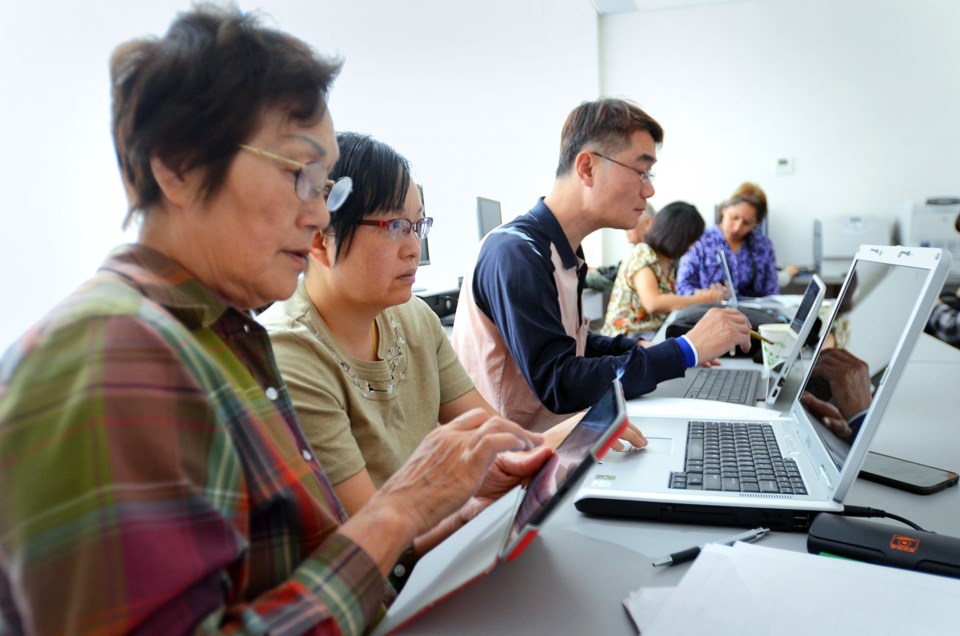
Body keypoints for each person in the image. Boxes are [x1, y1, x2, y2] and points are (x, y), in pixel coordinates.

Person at [0, 8, 549, 634]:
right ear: (177, 165)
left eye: (327, 190)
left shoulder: (224, 339)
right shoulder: (109, 355)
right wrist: (401, 509)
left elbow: (308, 569)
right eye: (300, 176)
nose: (319, 218)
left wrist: (448, 502)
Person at [258, 132, 644, 517]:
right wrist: (481, 493)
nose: (413, 248)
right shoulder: (290, 356)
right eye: (394, 226)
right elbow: (373, 538)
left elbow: (495, 438)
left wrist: (571, 436)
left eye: (416, 226)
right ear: (319, 239)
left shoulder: (414, 318)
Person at [452, 98, 751, 432]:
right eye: (641, 171)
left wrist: (640, 347)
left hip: (558, 438)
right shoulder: (516, 254)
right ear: (587, 168)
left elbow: (575, 343)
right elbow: (561, 383)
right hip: (515, 464)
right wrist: (685, 350)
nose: (649, 189)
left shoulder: (562, 251)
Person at [600, 201, 725, 339]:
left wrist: (701, 296)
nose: (692, 246)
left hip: (650, 334)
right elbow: (653, 303)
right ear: (678, 237)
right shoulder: (643, 252)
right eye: (691, 240)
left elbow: (670, 301)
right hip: (627, 337)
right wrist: (702, 299)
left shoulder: (666, 262)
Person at [677, 182, 781, 298]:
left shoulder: (763, 246)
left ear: (756, 224)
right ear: (724, 210)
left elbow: (772, 294)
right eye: (734, 217)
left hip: (752, 313)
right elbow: (682, 288)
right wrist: (708, 295)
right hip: (708, 312)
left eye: (747, 223)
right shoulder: (699, 241)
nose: (737, 228)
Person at [584, 202, 656, 295]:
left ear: (647, 223)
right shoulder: (639, 252)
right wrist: (596, 271)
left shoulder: (649, 254)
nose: (626, 228)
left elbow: (616, 281)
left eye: (632, 221)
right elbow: (616, 271)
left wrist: (582, 277)